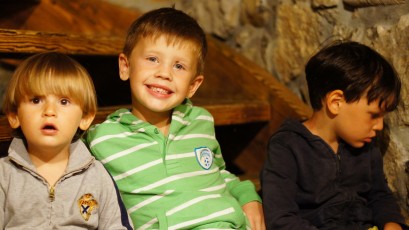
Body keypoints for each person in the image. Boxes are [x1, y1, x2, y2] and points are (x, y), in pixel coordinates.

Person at [85, 7, 265, 230]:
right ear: (125, 66)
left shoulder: (200, 122)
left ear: (192, 85)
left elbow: (215, 174)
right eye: (152, 59)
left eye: (179, 66)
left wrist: (248, 196)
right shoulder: (103, 138)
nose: (165, 73)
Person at [261, 41, 408, 230]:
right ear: (336, 102)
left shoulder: (366, 147)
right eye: (373, 115)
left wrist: (391, 224)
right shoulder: (287, 147)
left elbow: (380, 196)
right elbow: (281, 218)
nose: (379, 126)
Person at [0, 52, 133, 229]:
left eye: (63, 101)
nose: (49, 111)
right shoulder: (4, 175)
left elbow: (117, 225)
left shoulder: (96, 175)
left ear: (85, 118)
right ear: (14, 116)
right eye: (36, 100)